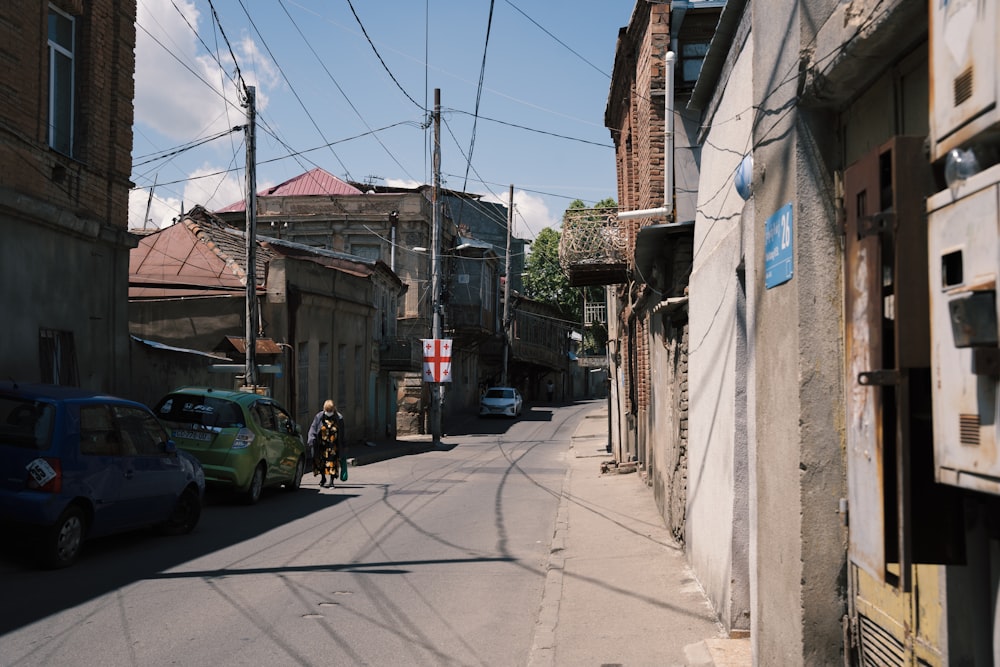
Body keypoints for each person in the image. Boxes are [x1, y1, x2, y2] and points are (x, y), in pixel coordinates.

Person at [307, 399, 346, 488]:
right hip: (321, 445)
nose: (328, 412)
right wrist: (311, 439)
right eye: (327, 410)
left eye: (330, 411)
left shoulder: (339, 418)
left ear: (334, 409)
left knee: (332, 463)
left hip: (333, 446)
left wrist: (343, 445)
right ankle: (323, 478)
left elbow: (342, 433)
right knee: (321, 462)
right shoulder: (319, 417)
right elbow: (313, 428)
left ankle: (331, 481)